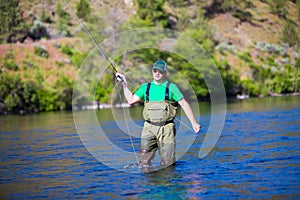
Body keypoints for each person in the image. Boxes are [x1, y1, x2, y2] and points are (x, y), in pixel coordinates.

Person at [116, 60, 201, 168]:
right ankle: (149, 184)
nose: (157, 73)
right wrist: (124, 84)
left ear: (165, 73)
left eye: (160, 71)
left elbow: (184, 104)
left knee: (167, 164)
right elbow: (131, 100)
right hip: (148, 128)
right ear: (152, 71)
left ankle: (167, 181)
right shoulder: (146, 87)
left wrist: (193, 123)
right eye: (155, 70)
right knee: (143, 163)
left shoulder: (171, 87)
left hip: (166, 128)